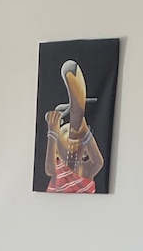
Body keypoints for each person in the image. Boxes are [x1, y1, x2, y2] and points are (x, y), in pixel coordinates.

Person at [44, 59, 104, 194]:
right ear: (56, 152)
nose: (70, 135)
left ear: (85, 151)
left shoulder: (85, 170)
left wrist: (85, 133)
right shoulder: (58, 170)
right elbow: (49, 170)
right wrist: (52, 134)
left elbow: (98, 162)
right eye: (64, 131)